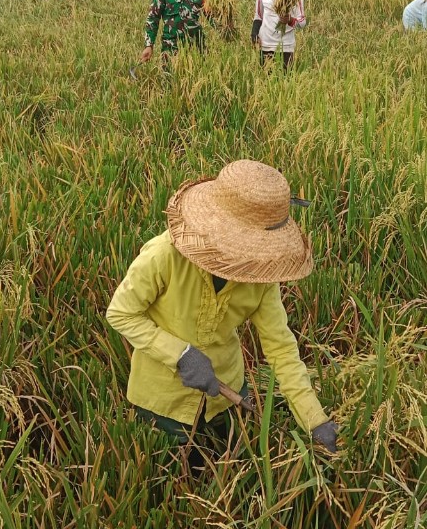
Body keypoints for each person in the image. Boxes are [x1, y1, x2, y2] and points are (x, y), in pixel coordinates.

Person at [106, 160, 339, 467]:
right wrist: (181, 354)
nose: (245, 259)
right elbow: (121, 313)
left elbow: (280, 347)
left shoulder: (261, 277)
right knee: (169, 475)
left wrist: (313, 418)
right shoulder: (164, 255)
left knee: (225, 464)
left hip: (225, 397)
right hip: (162, 399)